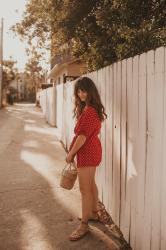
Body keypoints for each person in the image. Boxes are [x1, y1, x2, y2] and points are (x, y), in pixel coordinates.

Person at [65, 76, 107, 241]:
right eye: (79, 91)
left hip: (87, 152)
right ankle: (94, 213)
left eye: (84, 90)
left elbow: (82, 137)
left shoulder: (89, 111)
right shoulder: (89, 108)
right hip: (90, 151)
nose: (82, 94)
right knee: (91, 185)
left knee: (84, 189)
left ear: (91, 92)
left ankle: (84, 225)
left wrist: (71, 154)